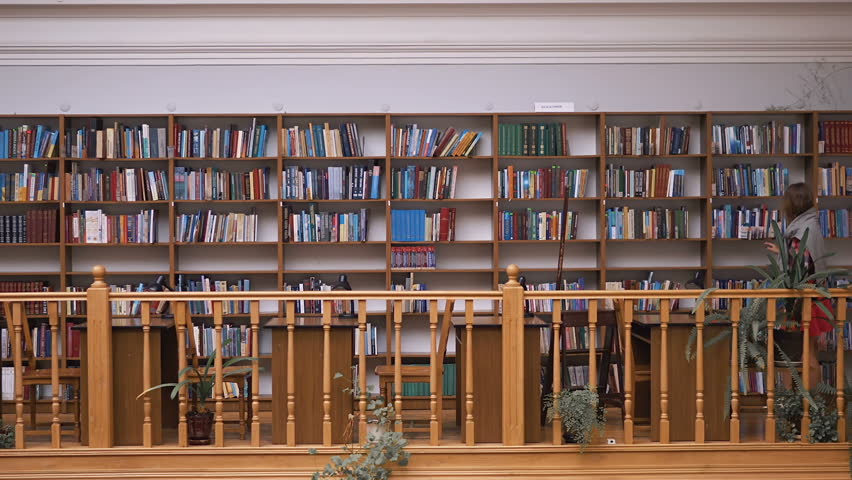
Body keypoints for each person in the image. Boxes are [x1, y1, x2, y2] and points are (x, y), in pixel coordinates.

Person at [764, 182, 833, 390]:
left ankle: (802, 407)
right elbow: (808, 258)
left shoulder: (801, 231)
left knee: (798, 356)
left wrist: (784, 257)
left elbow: (799, 271)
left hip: (803, 301)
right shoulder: (812, 225)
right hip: (817, 297)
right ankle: (810, 407)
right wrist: (783, 251)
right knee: (809, 353)